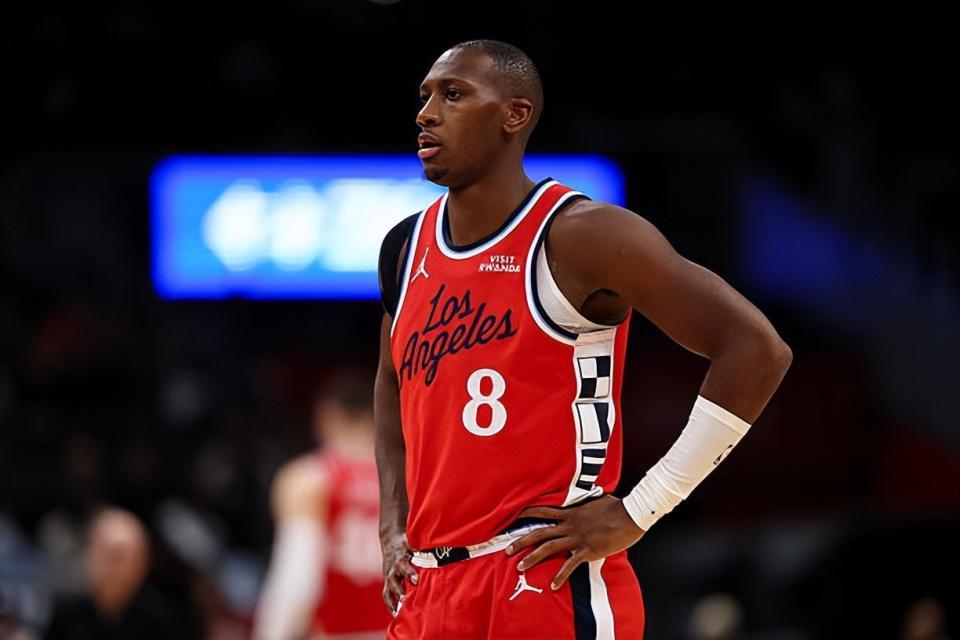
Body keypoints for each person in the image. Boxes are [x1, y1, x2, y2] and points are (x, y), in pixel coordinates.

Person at [375, 40, 792, 639]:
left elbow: (756, 349)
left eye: (454, 94)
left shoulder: (582, 235)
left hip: (542, 571)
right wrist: (392, 526)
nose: (426, 113)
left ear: (515, 114)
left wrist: (641, 509)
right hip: (430, 587)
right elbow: (392, 384)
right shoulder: (404, 247)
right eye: (425, 96)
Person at [254, 373, 391, 640]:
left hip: (337, 631)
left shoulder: (309, 478)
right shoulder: (411, 479)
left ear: (326, 416)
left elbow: (298, 578)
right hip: (402, 631)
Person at [45, 508, 181, 640]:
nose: (108, 564)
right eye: (101, 551)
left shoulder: (161, 622)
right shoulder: (66, 616)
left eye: (118, 556)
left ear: (142, 563)